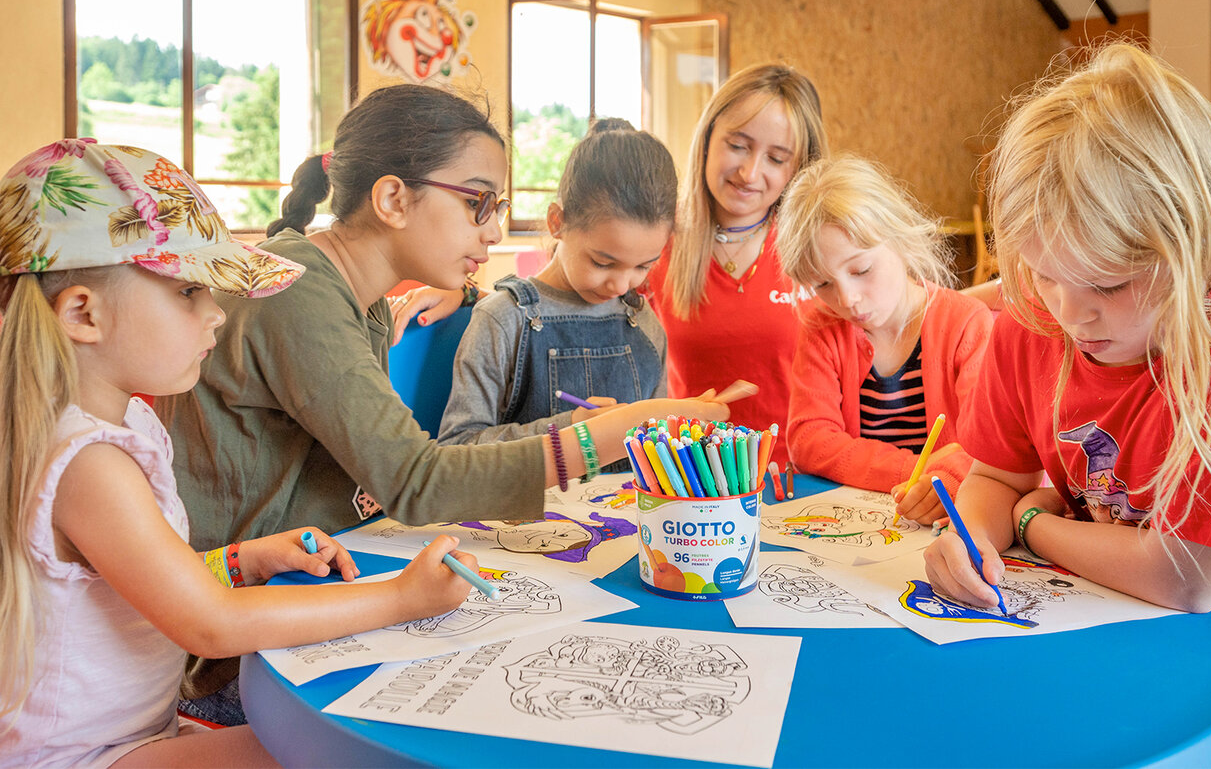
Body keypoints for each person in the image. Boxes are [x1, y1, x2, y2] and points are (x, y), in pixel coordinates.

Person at [154, 84, 743, 720]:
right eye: (477, 203)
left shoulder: (358, 296)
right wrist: (612, 432)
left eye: (499, 206)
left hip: (306, 601)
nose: (493, 229)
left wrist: (466, 295)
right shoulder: (300, 296)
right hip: (244, 660)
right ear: (392, 199)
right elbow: (418, 481)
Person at [0, 140, 482, 767]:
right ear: (83, 313)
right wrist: (403, 600)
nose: (216, 316)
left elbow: (127, 587)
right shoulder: (89, 462)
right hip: (78, 754)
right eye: (186, 294)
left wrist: (238, 560)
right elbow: (209, 626)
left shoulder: (124, 423)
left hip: (134, 730)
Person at [919, 43, 1211, 764]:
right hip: (1101, 631)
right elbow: (997, 474)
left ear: (1187, 241)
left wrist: (1030, 523)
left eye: (1108, 287)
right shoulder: (1032, 324)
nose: (1072, 313)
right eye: (1047, 274)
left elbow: (1183, 579)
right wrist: (976, 537)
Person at [437, 118, 674, 465]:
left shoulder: (644, 322)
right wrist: (571, 431)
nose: (622, 286)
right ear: (557, 222)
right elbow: (457, 452)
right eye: (603, 263)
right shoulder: (503, 320)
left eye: (643, 267)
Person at [775, 155, 992, 524]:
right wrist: (913, 472)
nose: (847, 299)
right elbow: (809, 440)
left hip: (946, 526)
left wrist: (948, 476)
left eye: (861, 270)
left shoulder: (967, 324)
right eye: (823, 284)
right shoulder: (822, 328)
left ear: (899, 238)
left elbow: (988, 446)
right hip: (861, 527)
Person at [644, 63, 828, 466]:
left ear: (798, 168)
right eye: (739, 146)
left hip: (801, 480)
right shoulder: (658, 239)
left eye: (777, 158)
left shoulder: (820, 244)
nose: (750, 173)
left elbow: (908, 307)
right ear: (708, 137)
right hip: (690, 481)